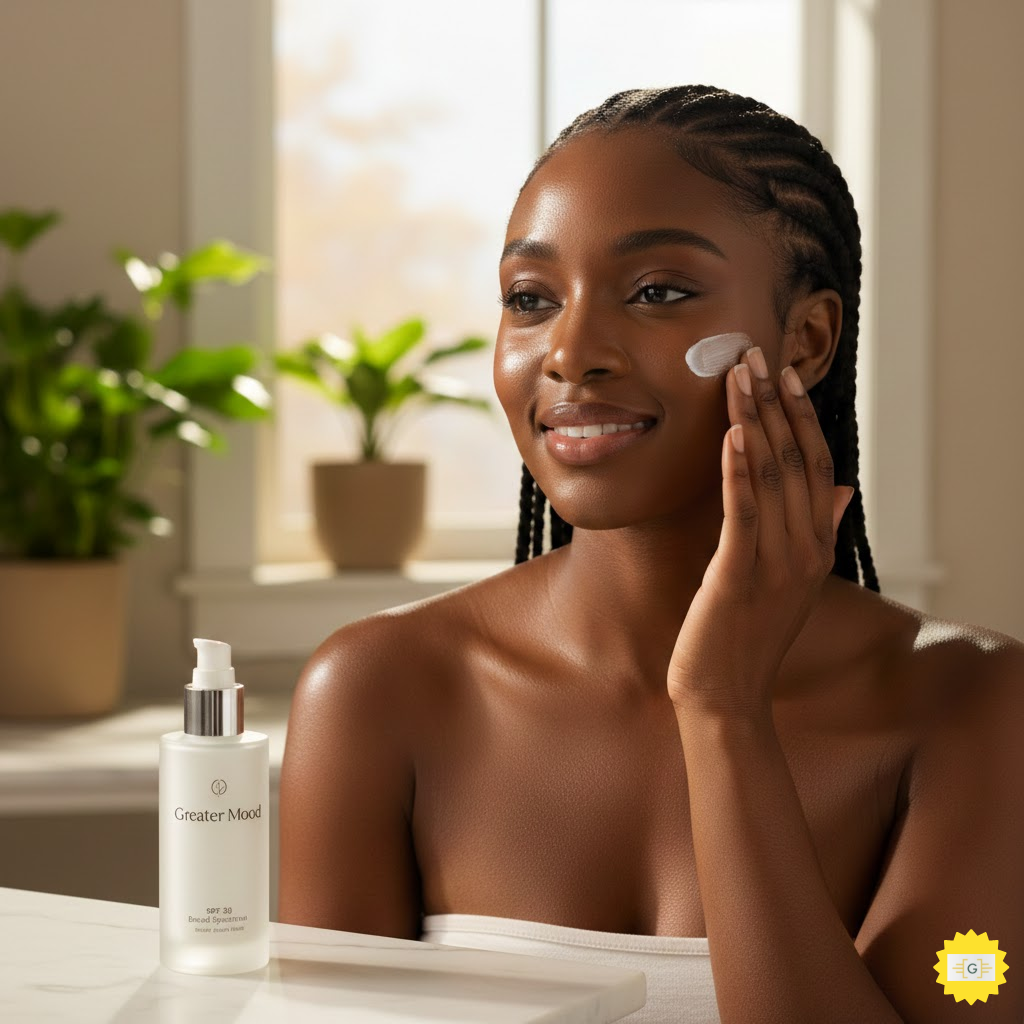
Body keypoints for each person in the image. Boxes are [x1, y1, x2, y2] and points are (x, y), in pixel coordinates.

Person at [278, 85, 1024, 1024]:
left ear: (806, 338)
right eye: (530, 299)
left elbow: (975, 989)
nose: (571, 351)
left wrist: (722, 712)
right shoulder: (375, 690)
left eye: (657, 292)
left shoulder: (975, 705)